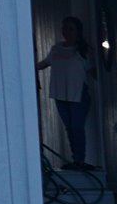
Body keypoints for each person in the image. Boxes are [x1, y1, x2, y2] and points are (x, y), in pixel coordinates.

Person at [36, 17, 97, 171]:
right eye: (64, 28)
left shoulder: (83, 51)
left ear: (78, 31)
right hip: (60, 95)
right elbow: (44, 63)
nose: (67, 32)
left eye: (71, 29)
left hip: (78, 95)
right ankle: (76, 159)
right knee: (69, 128)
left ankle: (80, 160)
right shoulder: (56, 49)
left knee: (77, 127)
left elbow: (93, 72)